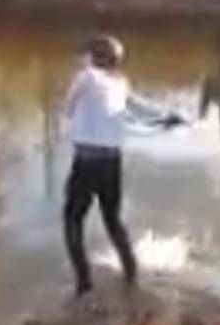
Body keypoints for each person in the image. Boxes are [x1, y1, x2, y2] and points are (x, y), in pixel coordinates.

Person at [61, 33, 185, 297]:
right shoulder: (119, 82)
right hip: (112, 161)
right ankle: (130, 273)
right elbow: (140, 106)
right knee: (112, 219)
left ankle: (84, 283)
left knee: (72, 219)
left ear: (93, 57)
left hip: (86, 160)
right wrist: (167, 117)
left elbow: (68, 109)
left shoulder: (85, 77)